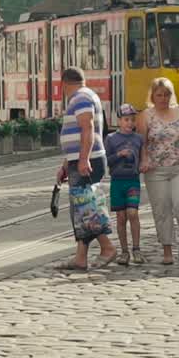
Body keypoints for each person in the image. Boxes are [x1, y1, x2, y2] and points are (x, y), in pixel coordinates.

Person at [55, 67, 117, 270]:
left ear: (64, 83)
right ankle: (80, 257)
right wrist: (67, 164)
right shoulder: (86, 95)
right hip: (82, 159)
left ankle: (107, 247)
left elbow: (87, 127)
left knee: (86, 208)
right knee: (82, 209)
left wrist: (83, 159)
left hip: (87, 160)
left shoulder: (80, 98)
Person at [137, 77, 179, 265]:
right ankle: (167, 249)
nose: (163, 98)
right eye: (159, 95)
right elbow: (141, 143)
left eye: (167, 94)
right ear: (153, 96)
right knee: (162, 210)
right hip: (156, 171)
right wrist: (144, 159)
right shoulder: (145, 116)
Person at [105, 103, 145, 266]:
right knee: (121, 217)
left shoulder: (139, 139)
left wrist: (143, 164)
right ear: (119, 121)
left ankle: (136, 249)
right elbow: (106, 161)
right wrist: (119, 155)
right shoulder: (111, 139)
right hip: (117, 182)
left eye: (132, 120)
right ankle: (124, 251)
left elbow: (143, 158)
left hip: (133, 181)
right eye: (126, 120)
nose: (130, 123)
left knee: (132, 213)